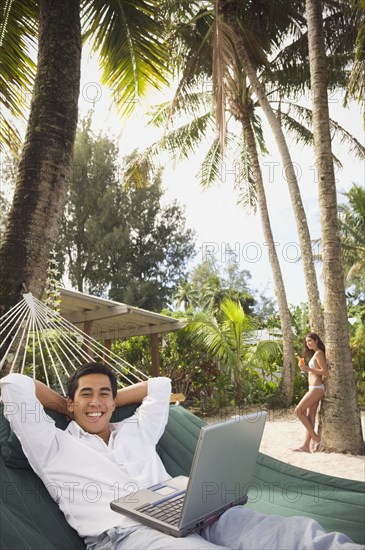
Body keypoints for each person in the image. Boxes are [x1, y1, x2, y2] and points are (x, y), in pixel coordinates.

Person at [0, 362, 360, 550]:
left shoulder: (137, 430)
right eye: (86, 395)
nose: (96, 402)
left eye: (104, 394)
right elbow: (13, 384)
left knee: (291, 535)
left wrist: (105, 401)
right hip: (125, 534)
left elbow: (160, 386)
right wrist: (65, 406)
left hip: (190, 509)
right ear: (70, 401)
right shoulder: (53, 445)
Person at [293, 332, 328, 453]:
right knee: (310, 416)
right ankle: (306, 446)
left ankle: (316, 438)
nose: (308, 344)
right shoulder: (314, 354)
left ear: (316, 341)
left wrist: (307, 369)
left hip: (317, 388)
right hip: (313, 388)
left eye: (310, 341)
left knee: (298, 411)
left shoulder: (319, 353)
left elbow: (325, 372)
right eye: (306, 342)